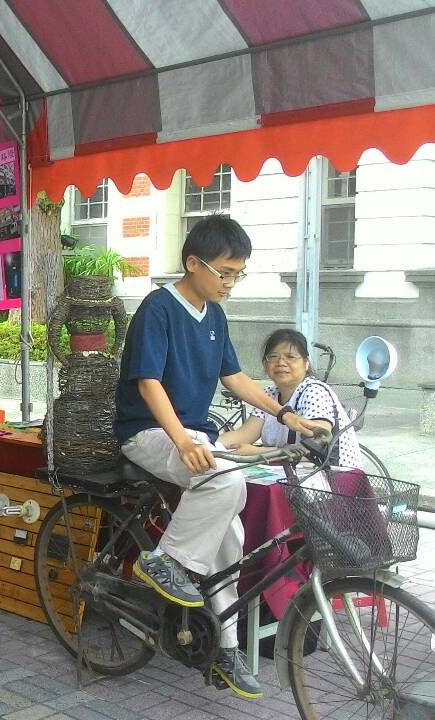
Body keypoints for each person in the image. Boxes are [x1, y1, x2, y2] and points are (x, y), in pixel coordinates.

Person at [114, 215, 321, 699]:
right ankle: (163, 560)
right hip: (147, 432)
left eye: (237, 274)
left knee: (232, 536)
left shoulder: (215, 316)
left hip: (195, 435)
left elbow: (235, 377)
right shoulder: (158, 308)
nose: (230, 283)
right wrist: (183, 441)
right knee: (226, 479)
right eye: (225, 272)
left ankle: (225, 647)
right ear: (194, 263)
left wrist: (284, 413)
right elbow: (148, 383)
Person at [218, 329, 362, 468]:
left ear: (306, 363)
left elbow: (317, 447)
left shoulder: (314, 391)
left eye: (290, 357)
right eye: (273, 357)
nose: (281, 362)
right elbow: (243, 434)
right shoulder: (269, 395)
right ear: (265, 364)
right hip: (294, 473)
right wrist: (208, 445)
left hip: (336, 475)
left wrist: (256, 452)